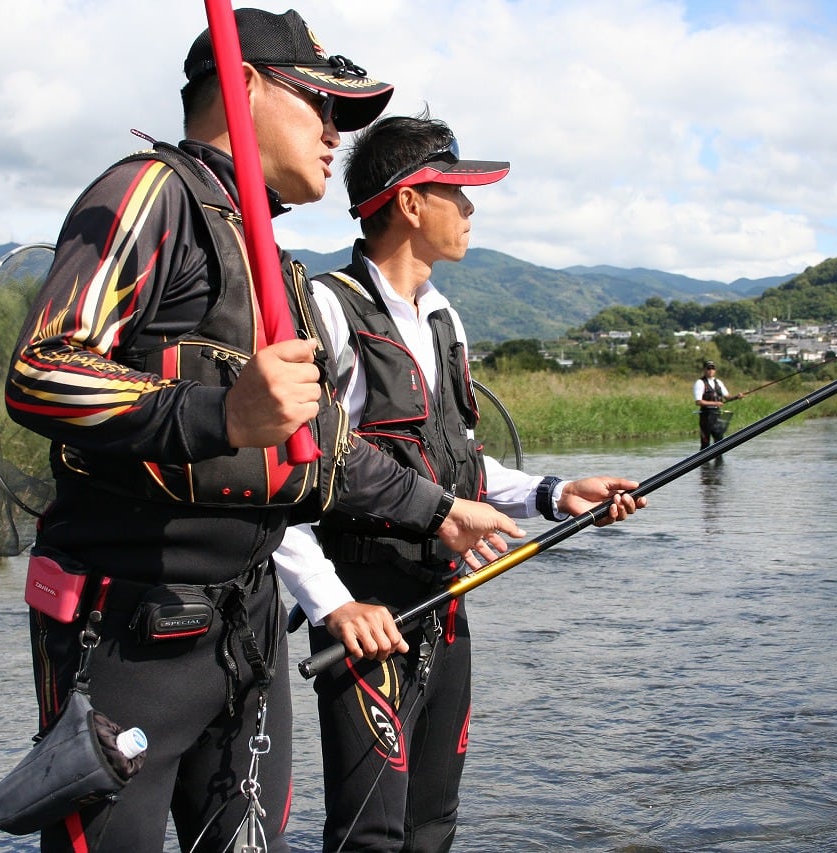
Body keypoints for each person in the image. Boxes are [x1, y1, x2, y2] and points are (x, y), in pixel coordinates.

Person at [3, 13, 523, 853]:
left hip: (248, 631)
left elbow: (324, 449)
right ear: (244, 90)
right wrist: (218, 414)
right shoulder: (146, 192)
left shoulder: (272, 258)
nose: (332, 135)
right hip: (127, 628)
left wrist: (438, 510)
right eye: (318, 104)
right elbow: (41, 371)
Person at [274, 114, 645, 852]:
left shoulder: (446, 320)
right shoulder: (324, 308)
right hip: (366, 617)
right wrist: (333, 604)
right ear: (410, 203)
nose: (472, 211)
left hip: (447, 611)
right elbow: (284, 479)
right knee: (369, 835)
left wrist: (555, 492)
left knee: (434, 827)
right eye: (459, 193)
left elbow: (462, 467)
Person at [694, 360, 742, 449]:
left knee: (720, 443)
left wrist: (736, 397)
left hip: (718, 415)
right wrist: (715, 403)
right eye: (708, 368)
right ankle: (703, 462)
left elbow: (727, 397)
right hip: (706, 416)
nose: (711, 370)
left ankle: (719, 462)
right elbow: (698, 402)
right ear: (704, 370)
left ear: (715, 370)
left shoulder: (718, 382)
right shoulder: (700, 383)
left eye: (713, 368)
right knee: (705, 444)